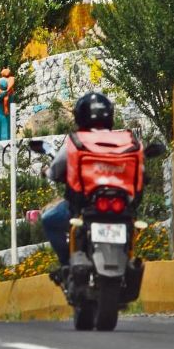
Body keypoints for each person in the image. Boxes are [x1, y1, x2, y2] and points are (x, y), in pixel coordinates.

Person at [41, 92, 115, 269]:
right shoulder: (124, 140)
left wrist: (48, 173)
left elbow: (55, 170)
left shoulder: (76, 142)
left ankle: (67, 264)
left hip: (84, 205)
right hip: (118, 205)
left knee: (49, 219)